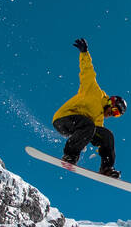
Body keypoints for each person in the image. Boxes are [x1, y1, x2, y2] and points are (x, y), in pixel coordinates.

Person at [51, 38, 126, 178]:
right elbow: (88, 71)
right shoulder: (93, 91)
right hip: (63, 120)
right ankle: (70, 156)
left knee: (107, 135)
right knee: (88, 125)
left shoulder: (98, 119)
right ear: (111, 102)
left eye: (117, 115)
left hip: (81, 127)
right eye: (115, 111)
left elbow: (95, 136)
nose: (112, 115)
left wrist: (98, 142)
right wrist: (84, 53)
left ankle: (107, 168)